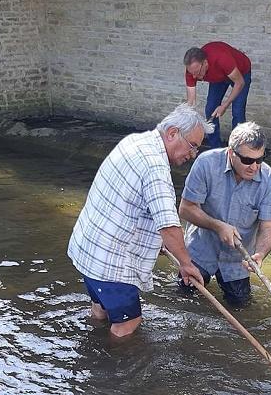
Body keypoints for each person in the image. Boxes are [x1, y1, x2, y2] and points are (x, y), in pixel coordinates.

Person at [68, 103, 211, 337]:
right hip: (110, 264)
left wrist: (160, 242)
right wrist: (186, 264)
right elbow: (169, 224)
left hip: (88, 250)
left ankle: (92, 347)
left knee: (101, 310)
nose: (193, 155)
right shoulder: (156, 167)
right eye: (192, 146)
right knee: (128, 323)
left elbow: (132, 203)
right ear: (173, 133)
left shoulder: (136, 141)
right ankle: (112, 370)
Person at [177, 122, 271, 307]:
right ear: (231, 153)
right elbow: (186, 209)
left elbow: (268, 226)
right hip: (201, 249)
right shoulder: (206, 163)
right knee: (185, 302)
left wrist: (260, 254)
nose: (254, 167)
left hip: (236, 260)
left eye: (259, 160)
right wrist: (217, 226)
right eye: (248, 160)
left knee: (241, 306)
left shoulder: (269, 179)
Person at [183, 42, 252, 149]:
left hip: (241, 73)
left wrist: (224, 105)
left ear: (205, 63)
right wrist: (190, 122)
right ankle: (215, 148)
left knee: (238, 111)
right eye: (191, 73)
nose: (194, 76)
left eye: (197, 72)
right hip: (218, 77)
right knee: (211, 109)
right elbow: (191, 102)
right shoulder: (192, 71)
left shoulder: (221, 58)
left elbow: (240, 83)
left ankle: (237, 149)